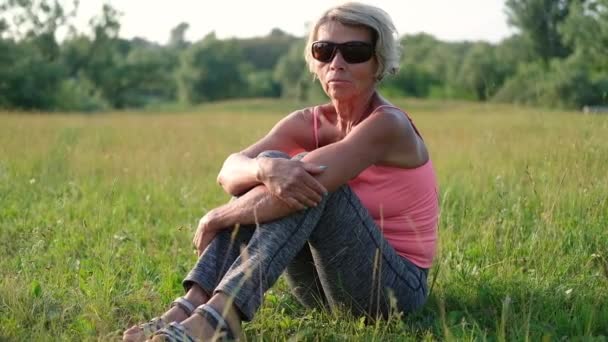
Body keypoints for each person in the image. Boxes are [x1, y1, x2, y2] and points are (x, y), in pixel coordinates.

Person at [123, 2, 439, 341]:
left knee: (309, 180)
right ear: (314, 62)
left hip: (392, 291)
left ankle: (218, 319)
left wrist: (219, 216)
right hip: (320, 288)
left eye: (355, 52)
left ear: (379, 62)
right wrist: (264, 167)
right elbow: (230, 170)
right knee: (277, 165)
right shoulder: (308, 121)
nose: (337, 63)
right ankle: (191, 305)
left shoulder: (388, 124)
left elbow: (308, 183)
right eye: (325, 50)